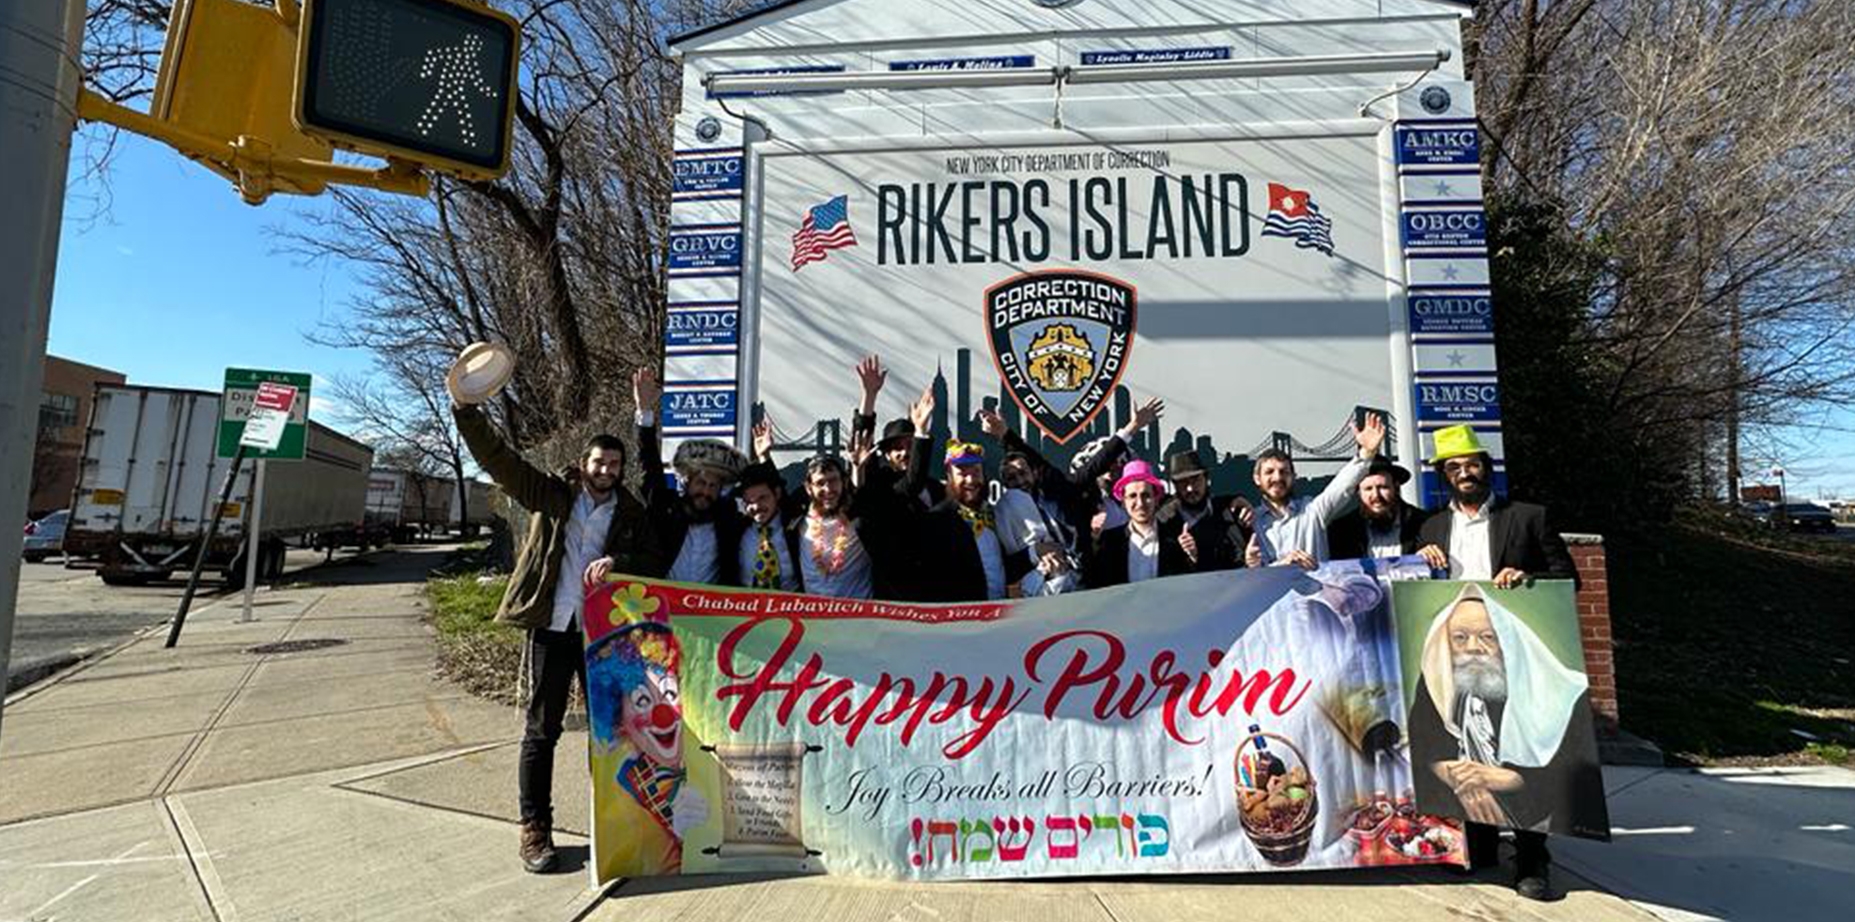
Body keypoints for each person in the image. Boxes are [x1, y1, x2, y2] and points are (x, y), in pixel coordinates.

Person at [448, 372, 664, 875]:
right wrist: (465, 411)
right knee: (541, 731)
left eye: (614, 463)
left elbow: (654, 561)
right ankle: (534, 829)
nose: (606, 469)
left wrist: (619, 563)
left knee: (611, 735)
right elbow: (499, 461)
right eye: (598, 461)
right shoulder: (551, 495)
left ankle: (615, 825)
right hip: (553, 626)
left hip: (607, 638)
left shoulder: (631, 513)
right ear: (583, 464)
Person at [1414, 424, 1580, 900]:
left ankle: (1532, 857)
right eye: (1454, 467)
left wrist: (1527, 576)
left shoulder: (1528, 517)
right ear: (1444, 475)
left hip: (1510, 654)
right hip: (1461, 656)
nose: (1465, 473)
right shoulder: (1430, 528)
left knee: (1520, 747)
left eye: (1472, 465)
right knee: (1467, 748)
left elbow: (1568, 580)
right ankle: (1480, 846)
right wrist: (1419, 560)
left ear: (1486, 468)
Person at [1408, 585, 1601, 901]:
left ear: (1507, 639)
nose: (1474, 648)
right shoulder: (1441, 680)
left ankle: (1531, 863)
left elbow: (1574, 769)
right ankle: (1479, 848)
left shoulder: (1556, 693)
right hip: (1470, 798)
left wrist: (1511, 776)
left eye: (1488, 637)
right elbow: (1424, 739)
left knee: (1531, 826)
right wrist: (1456, 772)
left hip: (1533, 803)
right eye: (1460, 638)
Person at [585, 622, 708, 876]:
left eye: (670, 693)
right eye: (642, 701)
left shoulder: (714, 749)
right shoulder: (629, 790)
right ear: (620, 721)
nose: (662, 714)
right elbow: (653, 865)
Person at [903, 388, 1031, 601]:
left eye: (976, 472)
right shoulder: (936, 521)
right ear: (949, 477)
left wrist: (1036, 553)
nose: (971, 480)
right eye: (962, 473)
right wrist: (920, 432)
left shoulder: (994, 515)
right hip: (961, 625)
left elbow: (1002, 568)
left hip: (999, 620)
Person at [633, 368, 748, 586]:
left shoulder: (730, 521)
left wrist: (764, 457)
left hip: (710, 615)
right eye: (701, 483)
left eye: (713, 486)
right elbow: (648, 467)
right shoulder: (665, 510)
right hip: (662, 609)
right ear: (687, 483)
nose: (706, 491)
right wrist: (644, 411)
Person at [1245, 412, 1387, 568]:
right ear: (1257, 478)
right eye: (1269, 472)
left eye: (1284, 471)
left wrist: (1366, 453)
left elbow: (1341, 487)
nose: (1277, 477)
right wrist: (1267, 565)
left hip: (1318, 592)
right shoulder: (1250, 522)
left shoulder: (1313, 510)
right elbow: (1255, 579)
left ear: (1294, 476)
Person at [1082, 460, 1200, 587]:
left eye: (1146, 495)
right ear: (1124, 501)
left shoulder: (1176, 539)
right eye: (1133, 496)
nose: (1140, 503)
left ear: (1156, 499)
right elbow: (1094, 584)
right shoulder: (1108, 541)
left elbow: (1190, 587)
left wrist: (1193, 557)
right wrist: (1092, 545)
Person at [1158, 450, 1250, 571]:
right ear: (1174, 486)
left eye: (1195, 479)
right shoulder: (1164, 522)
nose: (1190, 488)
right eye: (1183, 482)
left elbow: (1242, 558)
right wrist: (1190, 558)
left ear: (1206, 479)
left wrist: (1250, 561)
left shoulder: (1230, 511)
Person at [1327, 457, 1429, 561]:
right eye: (1368, 489)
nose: (1376, 496)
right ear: (1358, 492)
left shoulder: (1424, 523)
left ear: (1396, 488)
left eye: (1383, 487)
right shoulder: (1341, 532)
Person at [734, 453, 800, 593]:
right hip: (746, 609)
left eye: (762, 498)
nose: (756, 506)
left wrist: (765, 456)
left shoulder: (796, 527)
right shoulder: (736, 530)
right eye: (749, 502)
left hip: (790, 609)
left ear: (777, 494)